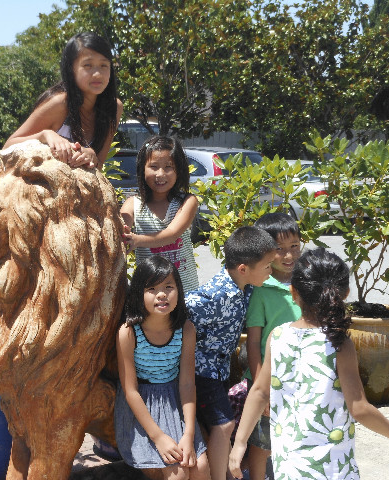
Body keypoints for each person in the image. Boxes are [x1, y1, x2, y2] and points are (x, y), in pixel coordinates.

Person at [229, 248, 389, 480]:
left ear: (293, 292)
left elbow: (259, 391)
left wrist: (240, 442)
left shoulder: (277, 337)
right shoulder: (339, 343)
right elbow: (359, 408)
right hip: (331, 468)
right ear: (345, 294)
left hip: (289, 466)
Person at [185, 226, 277, 480]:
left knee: (220, 426)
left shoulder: (247, 287)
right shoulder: (214, 295)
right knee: (224, 425)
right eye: (267, 266)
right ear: (243, 269)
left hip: (221, 370)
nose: (271, 271)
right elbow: (186, 309)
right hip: (202, 372)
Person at [115, 255, 210, 480]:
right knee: (178, 475)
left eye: (169, 287)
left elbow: (187, 383)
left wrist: (188, 433)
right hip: (143, 408)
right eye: (152, 288)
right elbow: (130, 391)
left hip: (176, 401)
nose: (161, 294)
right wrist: (158, 437)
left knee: (201, 468)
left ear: (179, 290)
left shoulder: (185, 329)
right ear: (138, 293)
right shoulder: (129, 332)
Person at [240, 212, 303, 479]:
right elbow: (253, 342)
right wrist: (260, 386)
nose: (288, 255)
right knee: (262, 443)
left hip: (300, 378)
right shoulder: (261, 289)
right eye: (279, 249)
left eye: (294, 246)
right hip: (269, 380)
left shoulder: (307, 282)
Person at [3, 32, 123, 169]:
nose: (97, 74)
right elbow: (7, 148)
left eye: (104, 65)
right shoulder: (59, 103)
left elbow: (99, 166)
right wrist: (44, 135)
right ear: (71, 69)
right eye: (88, 65)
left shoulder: (114, 107)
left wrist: (91, 155)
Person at [121, 136, 199, 292]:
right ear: (142, 169)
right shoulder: (132, 204)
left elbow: (171, 234)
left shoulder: (187, 201)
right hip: (150, 293)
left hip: (185, 291)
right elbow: (121, 228)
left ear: (179, 170)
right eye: (154, 166)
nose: (160, 174)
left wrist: (137, 240)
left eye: (168, 167)